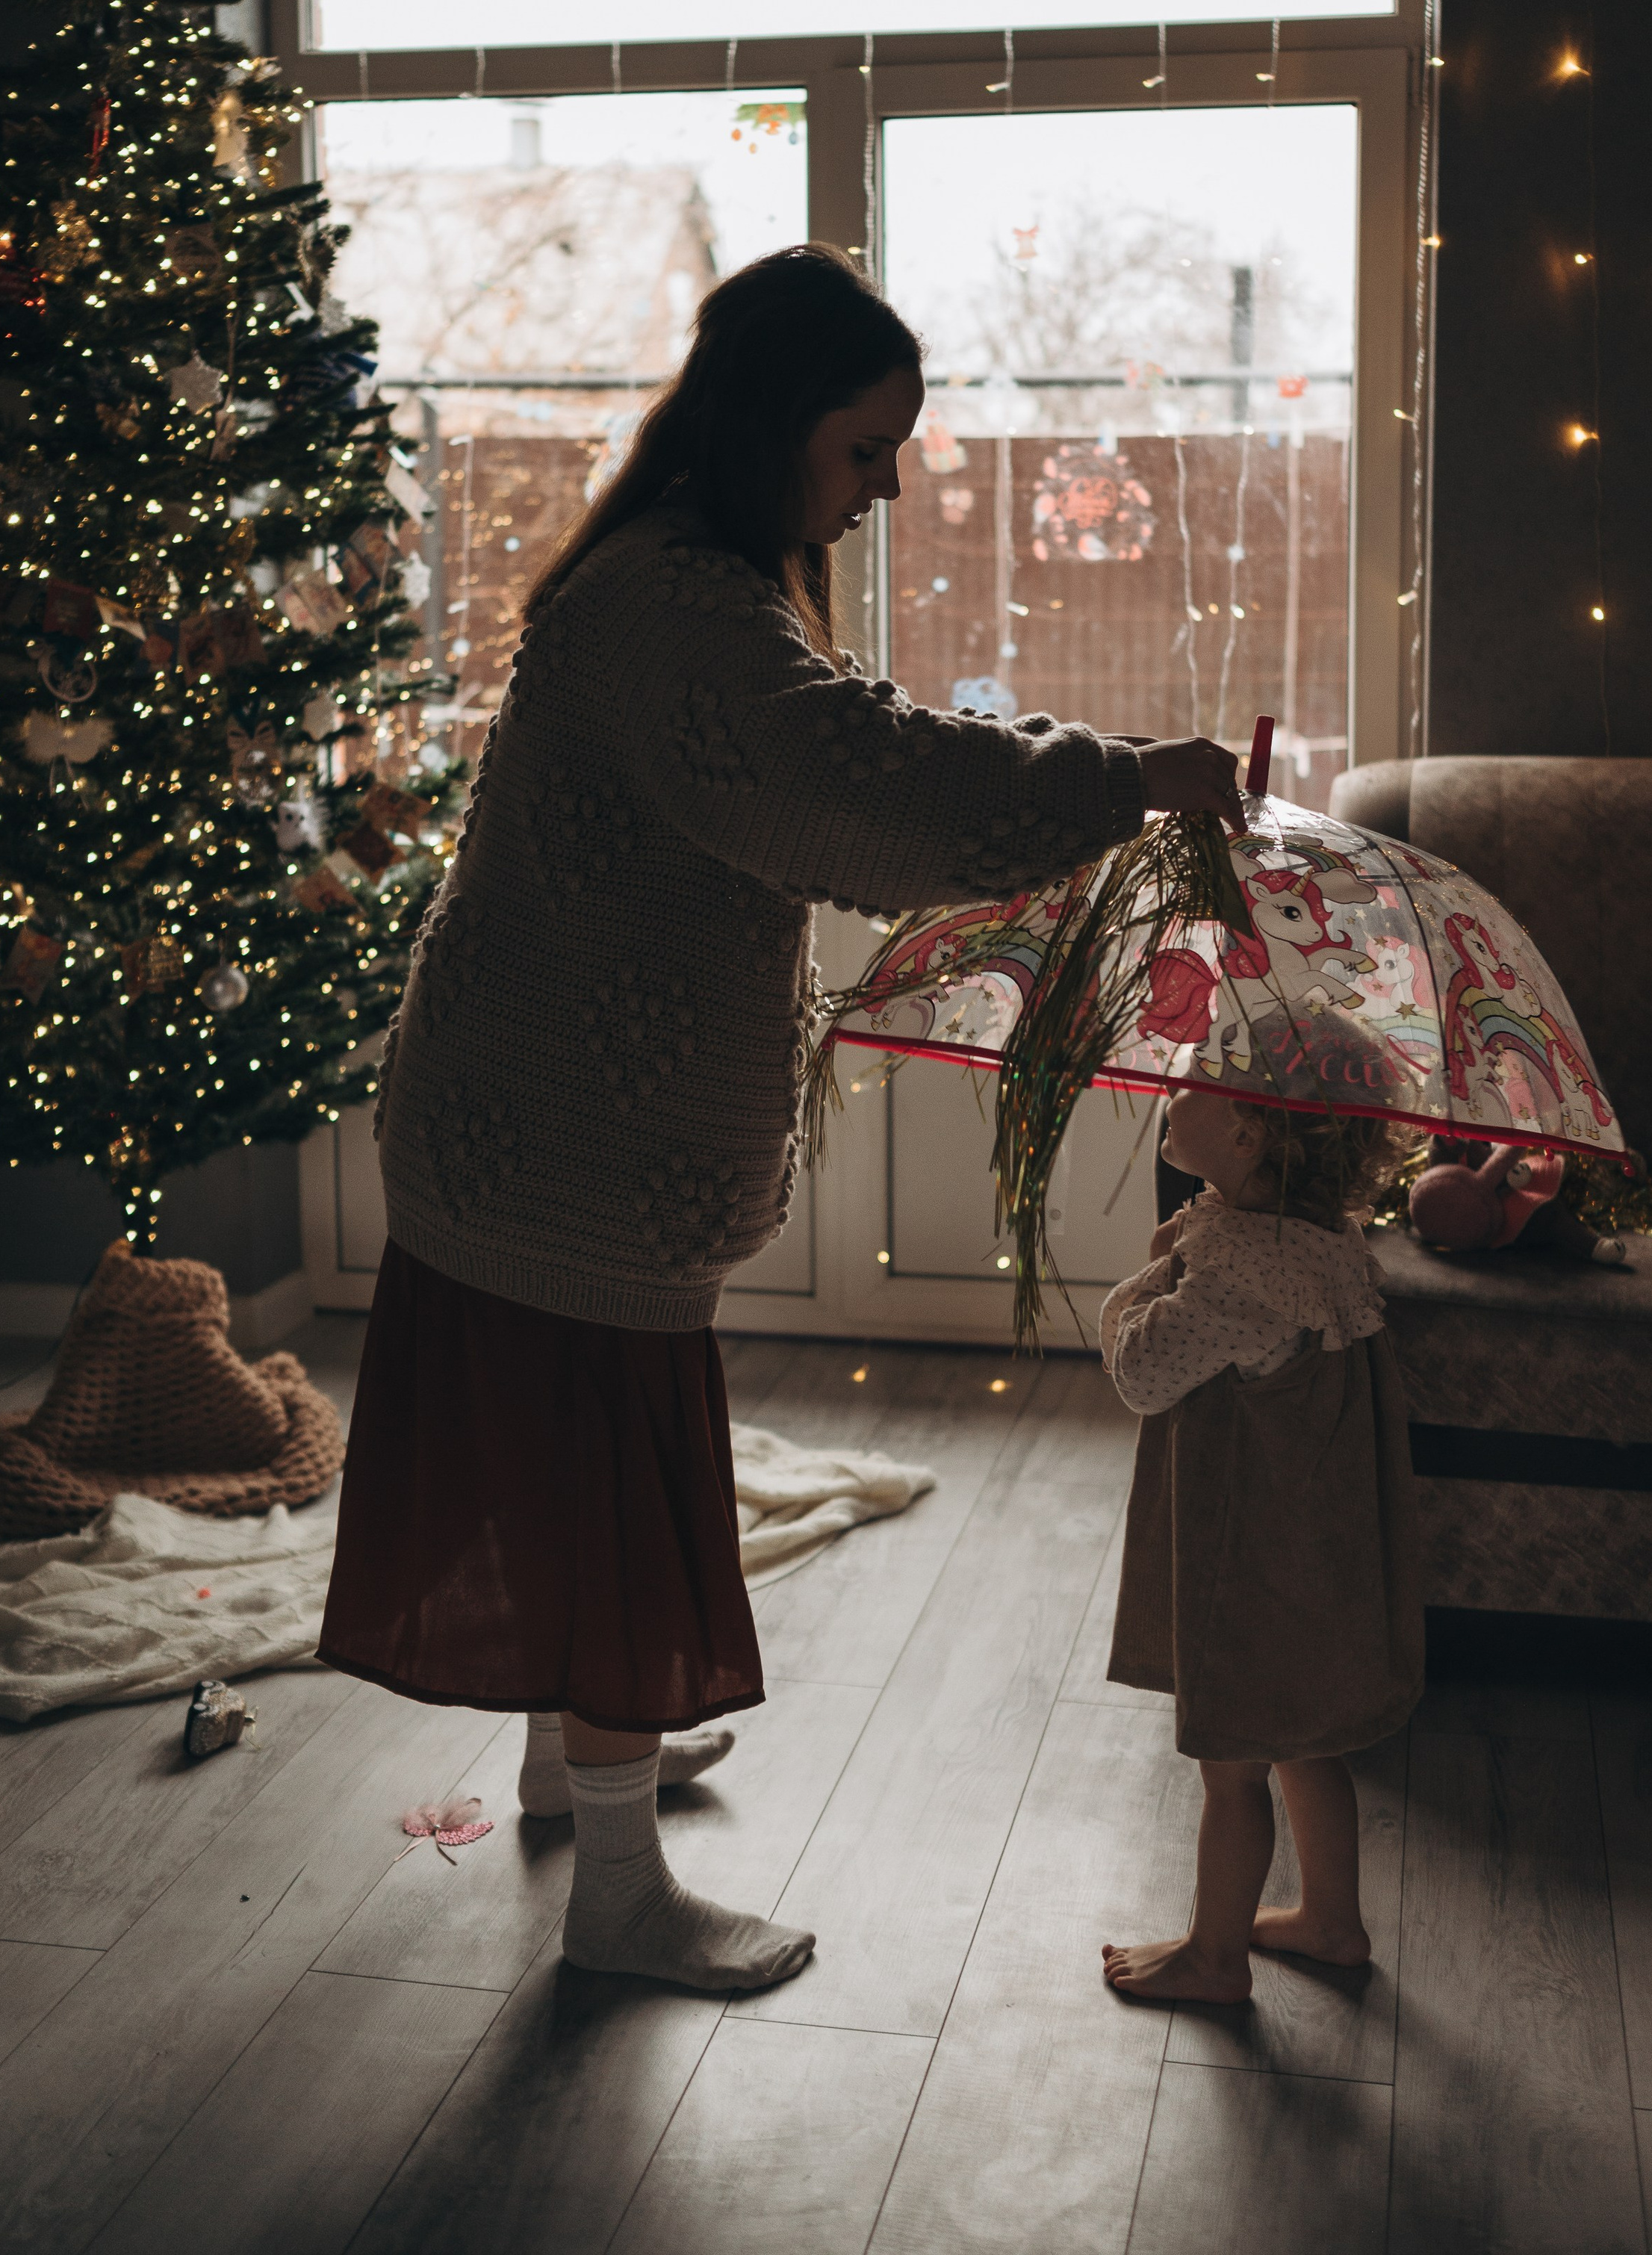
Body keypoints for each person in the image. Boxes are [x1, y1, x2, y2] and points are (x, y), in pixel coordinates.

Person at [318, 242, 1243, 1997]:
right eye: (863, 448)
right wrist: (1123, 777)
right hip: (556, 1150)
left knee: (562, 1474)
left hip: (517, 1118)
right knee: (614, 1501)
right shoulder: (678, 605)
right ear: (772, 422)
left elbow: (842, 747)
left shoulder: (685, 573)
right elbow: (854, 782)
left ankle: (568, 1763)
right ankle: (615, 1891)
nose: (883, 485)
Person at [1096, 1073, 1423, 2004]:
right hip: (1307, 1540)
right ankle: (1329, 1921)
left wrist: (1150, 1273)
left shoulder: (1242, 1270)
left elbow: (1141, 1372)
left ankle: (1214, 1957)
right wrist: (1188, 1247)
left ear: (1247, 1136)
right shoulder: (1311, 1234)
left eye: (1199, 1079)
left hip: (1248, 1553)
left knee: (1232, 1763)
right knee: (1304, 1742)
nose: (1175, 1086)